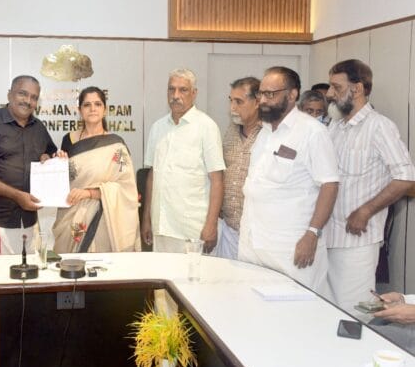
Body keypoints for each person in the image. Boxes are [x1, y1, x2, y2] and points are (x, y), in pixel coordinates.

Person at [0, 75, 56, 367]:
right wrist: (16, 195)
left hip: (27, 223)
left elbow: (50, 154)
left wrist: (51, 159)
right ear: (9, 94)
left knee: (22, 291)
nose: (28, 101)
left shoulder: (39, 128)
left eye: (34, 97)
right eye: (22, 94)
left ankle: (17, 351)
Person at [238, 66, 339, 293]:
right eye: (261, 93)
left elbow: (330, 185)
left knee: (295, 308)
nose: (263, 100)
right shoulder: (264, 132)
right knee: (252, 306)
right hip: (253, 243)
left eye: (270, 94)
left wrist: (312, 234)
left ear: (292, 95)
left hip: (289, 248)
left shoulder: (312, 132)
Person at [325, 59, 415, 313]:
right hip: (327, 236)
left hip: (357, 241)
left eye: (336, 87)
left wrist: (365, 211)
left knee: (353, 312)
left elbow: (406, 177)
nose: (330, 94)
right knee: (327, 308)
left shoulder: (380, 127)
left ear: (358, 88)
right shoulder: (335, 126)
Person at [142, 68, 225, 253]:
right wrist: (146, 218)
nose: (176, 95)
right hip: (161, 226)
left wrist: (211, 225)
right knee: (162, 272)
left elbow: (217, 180)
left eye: (183, 90)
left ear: (194, 93)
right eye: (171, 89)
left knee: (193, 272)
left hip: (192, 229)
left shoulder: (206, 127)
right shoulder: (157, 128)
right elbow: (153, 175)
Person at [52, 86, 140, 253]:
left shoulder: (116, 146)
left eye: (97, 104)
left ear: (104, 110)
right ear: (80, 110)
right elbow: (64, 183)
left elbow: (126, 187)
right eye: (87, 105)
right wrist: (59, 165)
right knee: (72, 264)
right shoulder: (69, 140)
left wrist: (90, 193)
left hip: (105, 219)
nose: (92, 109)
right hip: (73, 216)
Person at [213, 77, 261, 259]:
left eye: (239, 102)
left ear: (257, 102)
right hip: (229, 228)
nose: (232, 108)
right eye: (231, 101)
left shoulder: (269, 134)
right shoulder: (231, 130)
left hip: (257, 234)